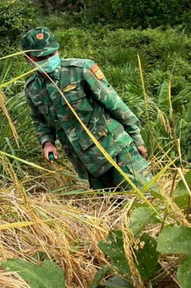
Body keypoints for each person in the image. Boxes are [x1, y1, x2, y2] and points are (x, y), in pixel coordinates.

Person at [22, 26, 152, 190]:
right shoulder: (32, 89)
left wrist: (136, 137)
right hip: (88, 164)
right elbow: (39, 120)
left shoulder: (80, 70)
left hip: (117, 150)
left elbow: (115, 103)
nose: (49, 60)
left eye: (52, 54)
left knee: (147, 201)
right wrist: (47, 142)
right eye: (42, 57)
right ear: (28, 58)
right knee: (113, 210)